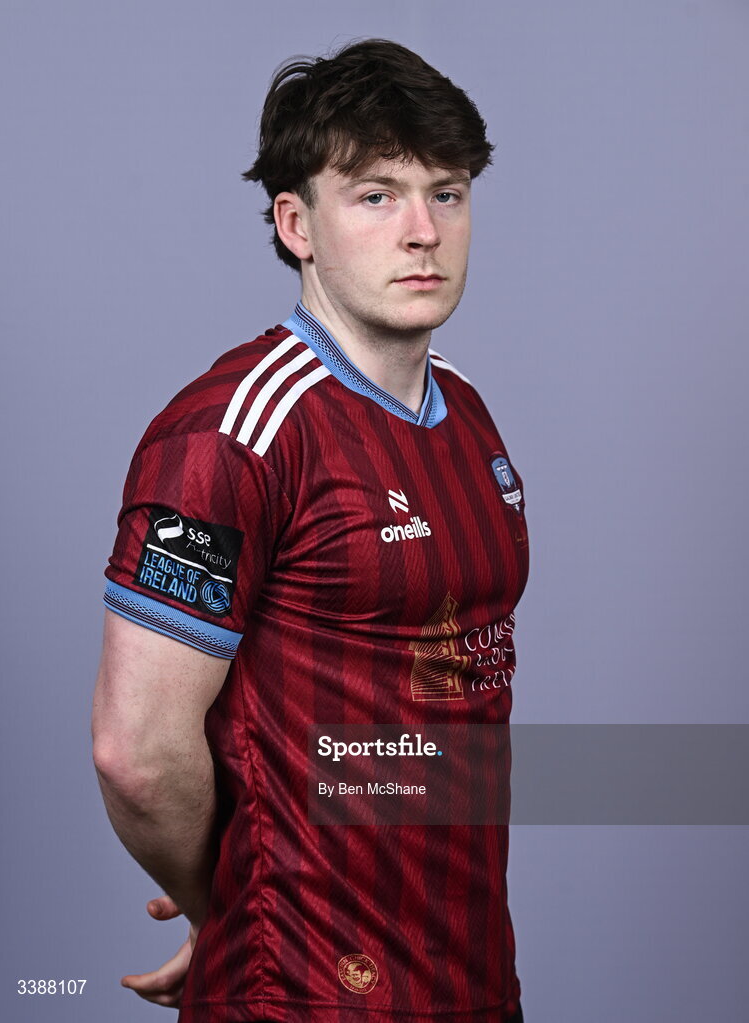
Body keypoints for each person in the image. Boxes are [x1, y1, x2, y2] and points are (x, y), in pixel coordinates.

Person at [92, 38, 529, 1022]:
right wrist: (233, 906)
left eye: (446, 193)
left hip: (469, 974)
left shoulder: (466, 411)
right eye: (375, 195)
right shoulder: (229, 435)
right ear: (296, 224)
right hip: (302, 990)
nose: (422, 230)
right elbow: (135, 749)